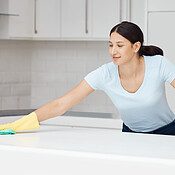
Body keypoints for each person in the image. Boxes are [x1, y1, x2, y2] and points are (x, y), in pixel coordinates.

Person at [1, 21, 175, 135]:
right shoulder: (105, 73)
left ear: (136, 46)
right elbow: (62, 104)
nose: (113, 51)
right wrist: (18, 124)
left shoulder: (158, 64)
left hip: (167, 132)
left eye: (120, 46)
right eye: (110, 45)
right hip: (131, 134)